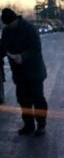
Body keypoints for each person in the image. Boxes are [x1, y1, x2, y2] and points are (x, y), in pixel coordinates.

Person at [0, 8, 48, 136]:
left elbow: (36, 48)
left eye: (10, 24)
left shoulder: (28, 28)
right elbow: (3, 48)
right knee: (23, 100)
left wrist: (22, 56)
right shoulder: (6, 31)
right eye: (7, 25)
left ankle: (41, 125)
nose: (9, 27)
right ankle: (29, 125)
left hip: (34, 72)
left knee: (38, 99)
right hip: (19, 73)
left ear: (15, 19)